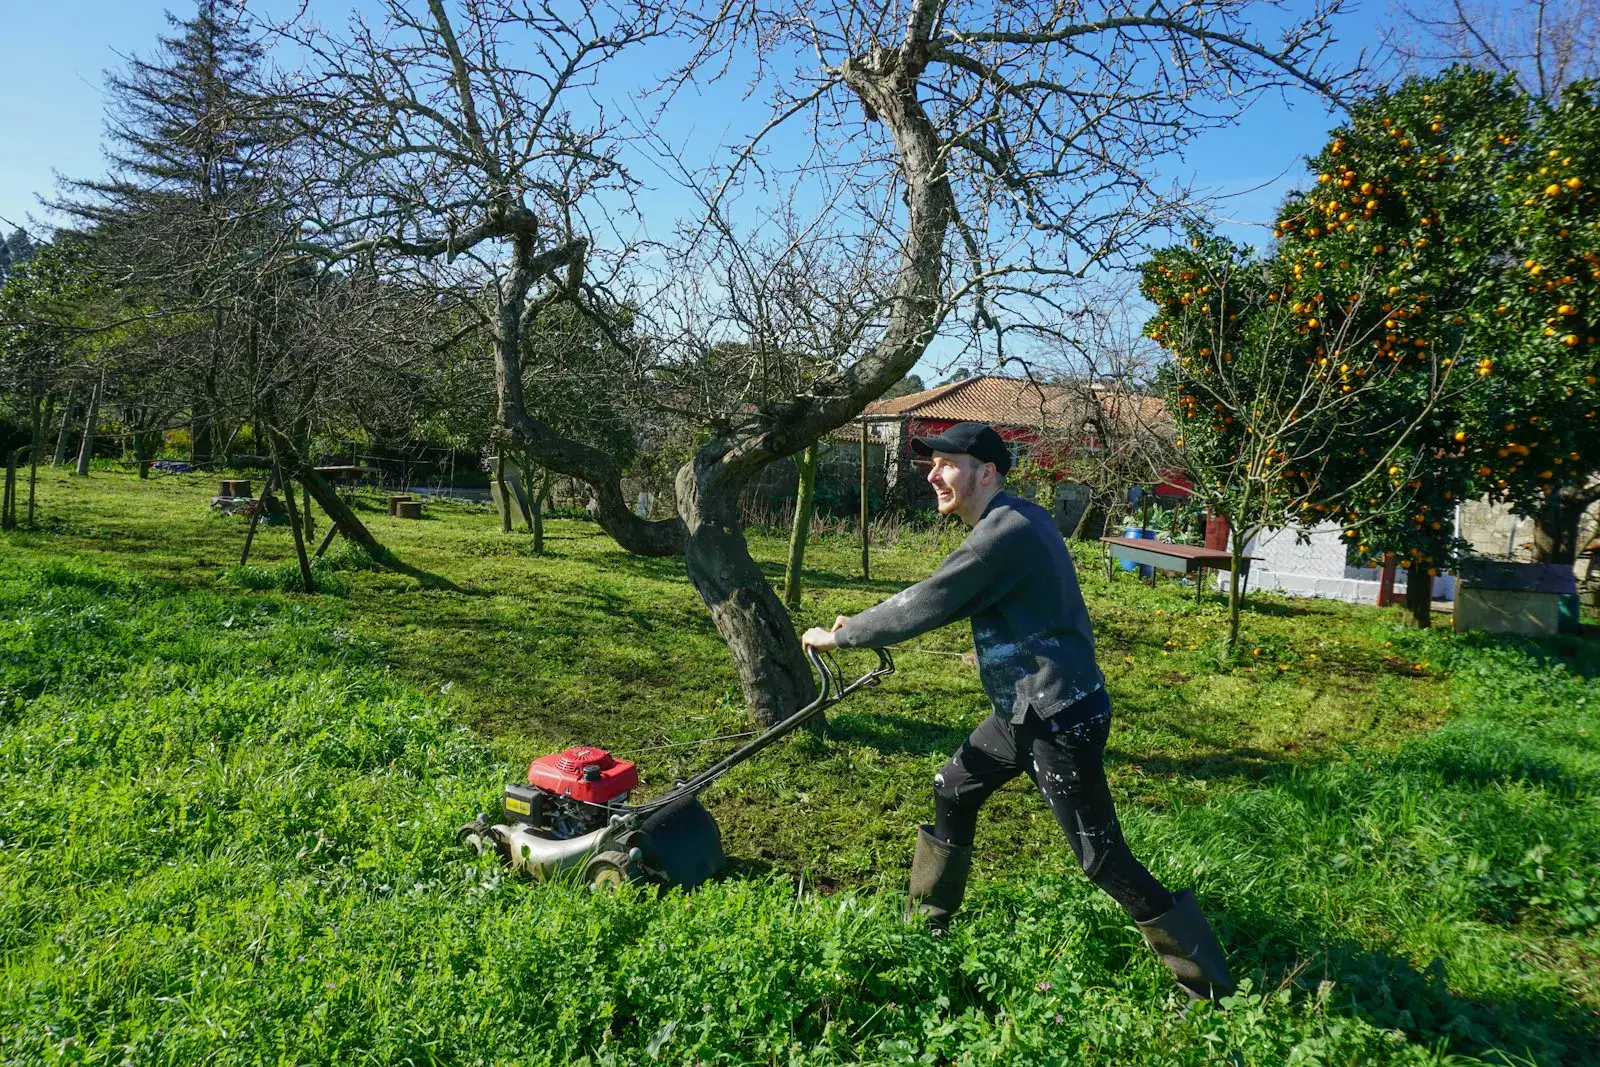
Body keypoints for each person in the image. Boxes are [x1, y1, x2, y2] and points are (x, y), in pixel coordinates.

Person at [800, 422, 1234, 1003]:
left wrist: (845, 637)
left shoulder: (1001, 535)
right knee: (954, 787)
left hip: (1058, 715)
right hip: (1024, 709)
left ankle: (1207, 986)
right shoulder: (1024, 518)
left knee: (1100, 857)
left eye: (947, 463)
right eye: (930, 463)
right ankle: (925, 925)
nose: (933, 474)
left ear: (986, 472)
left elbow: (932, 599)